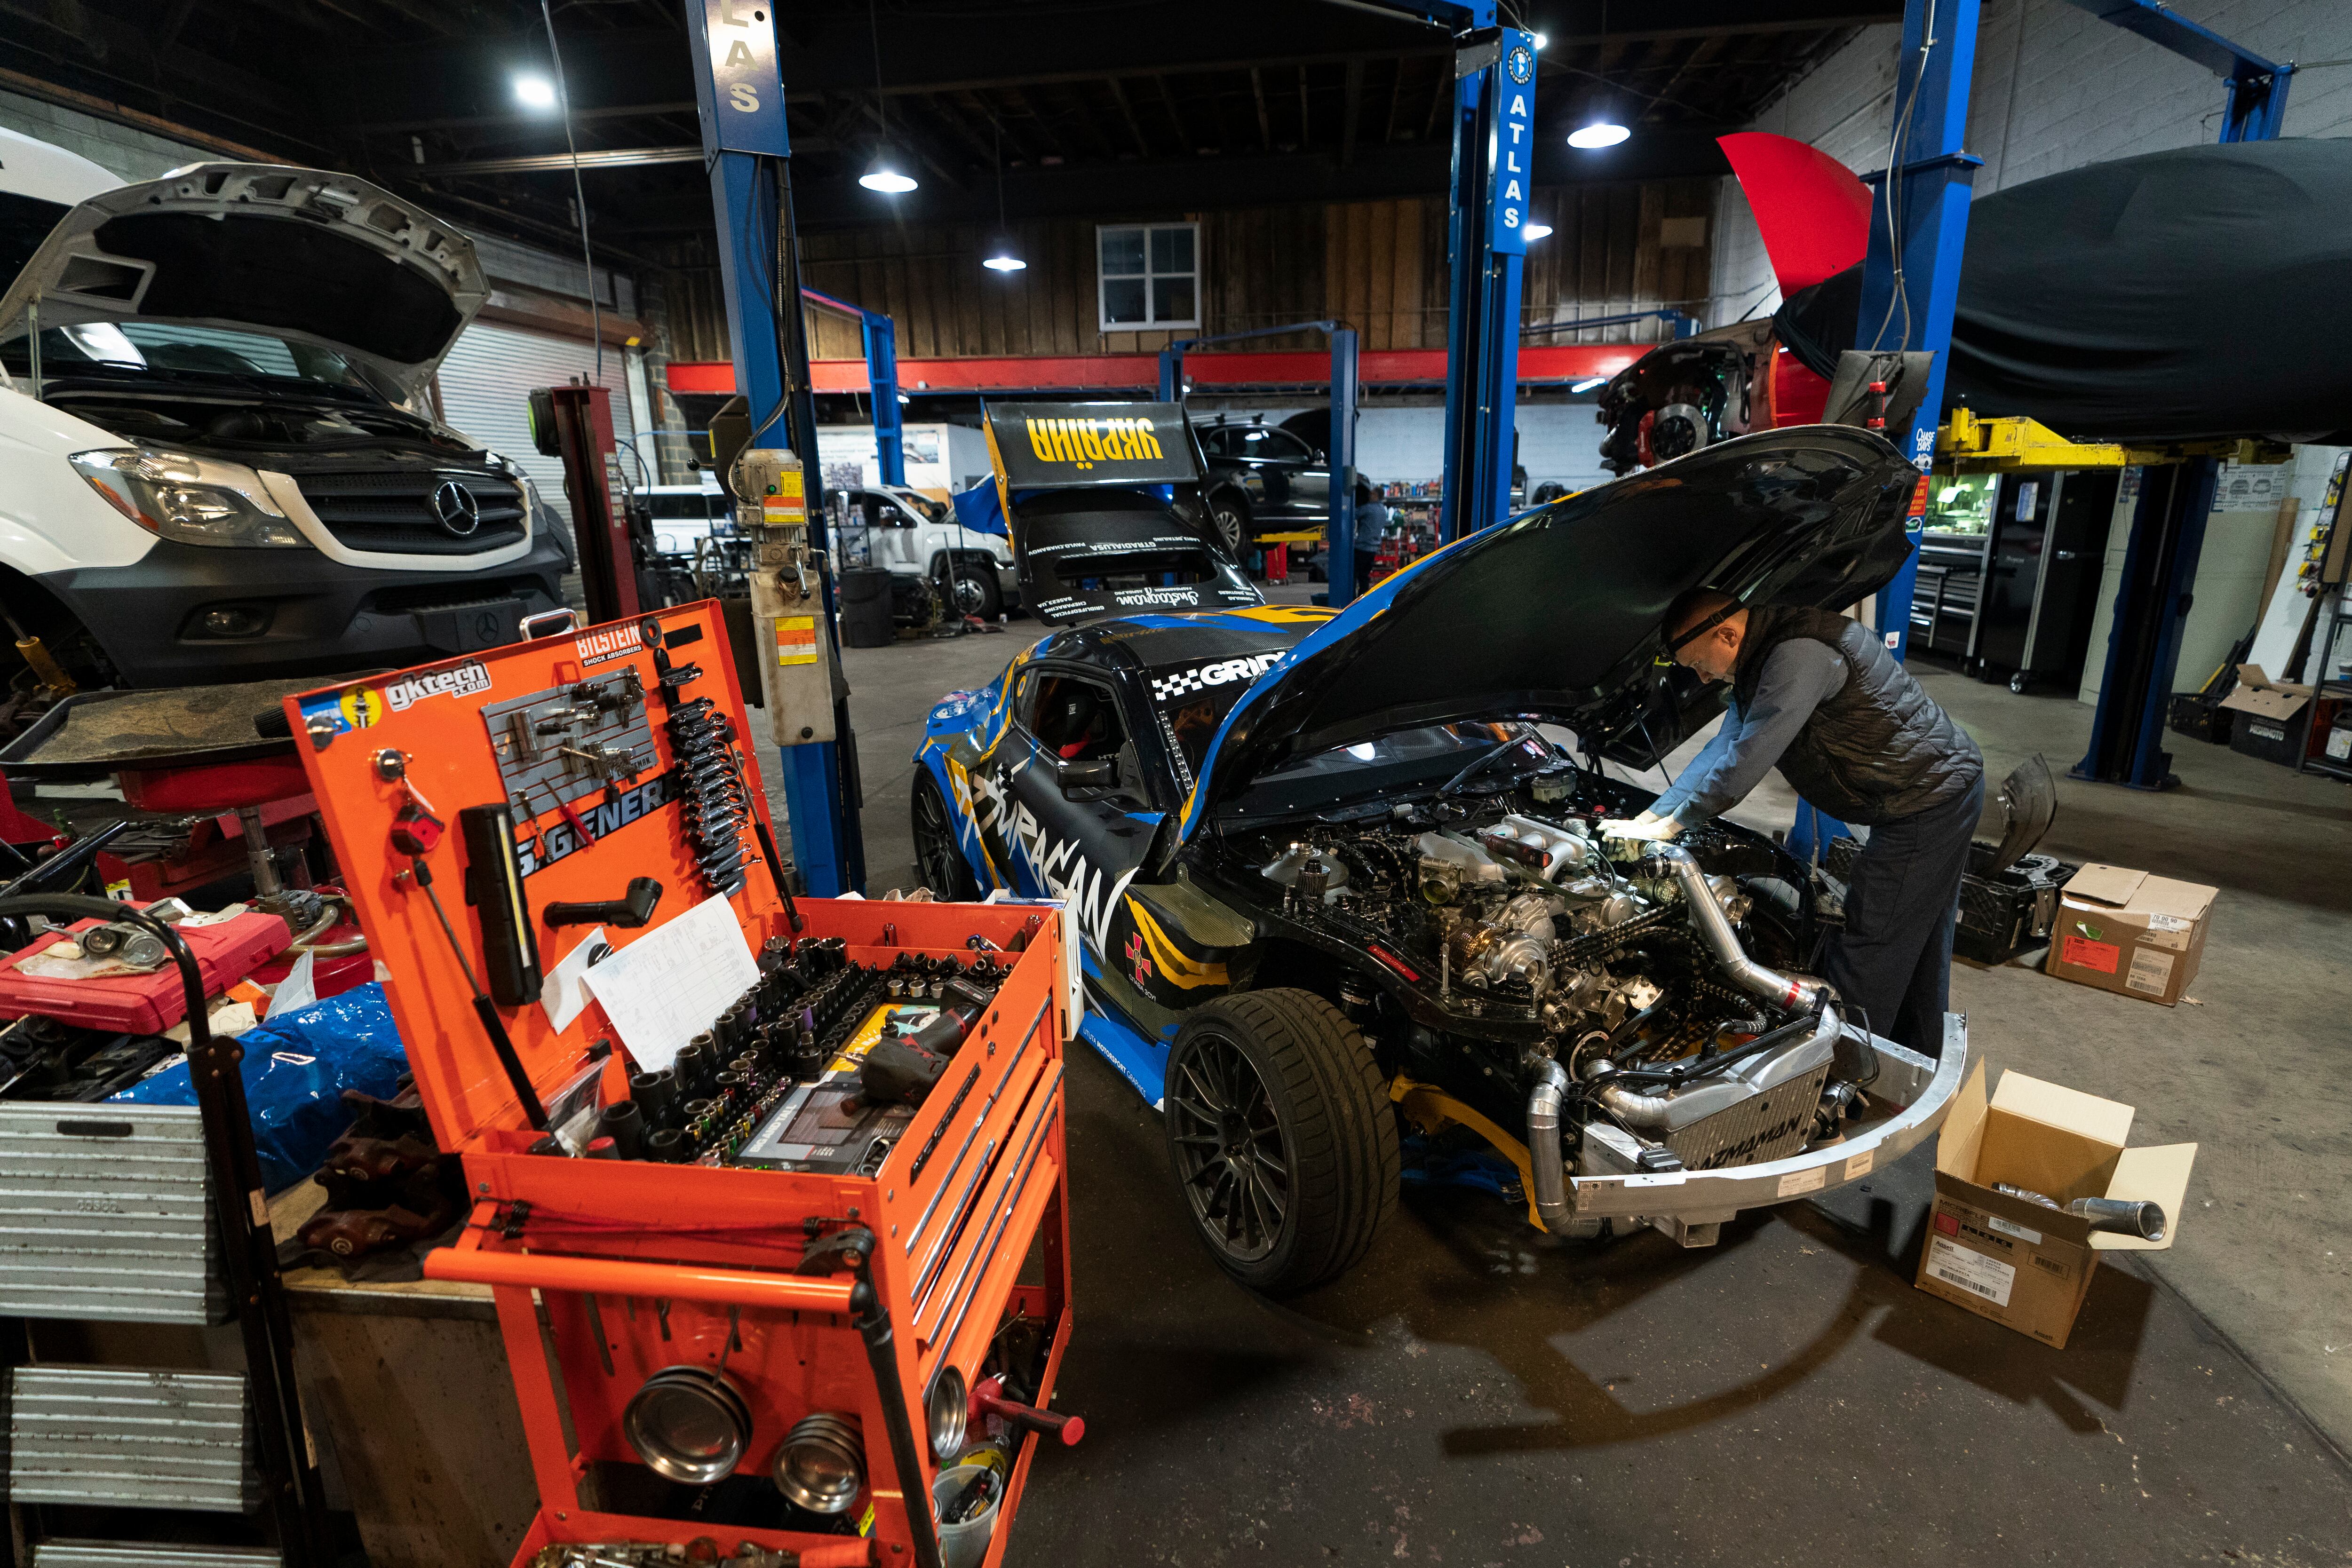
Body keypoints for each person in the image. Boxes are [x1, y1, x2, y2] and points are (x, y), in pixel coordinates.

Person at [1600, 590, 1985, 1054]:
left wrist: (1673, 824)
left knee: (1871, 942)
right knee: (1916, 941)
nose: (1701, 677)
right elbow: (1717, 751)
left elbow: (1742, 765)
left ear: (1726, 634)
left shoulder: (1797, 656)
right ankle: (1917, 1056)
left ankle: (1840, 1075)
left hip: (1926, 798)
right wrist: (1653, 815)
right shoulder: (1763, 657)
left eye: (1700, 663)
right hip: (1937, 785)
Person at [1352, 480, 1390, 597]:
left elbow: (1351, 514)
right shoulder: (1383, 510)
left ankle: (1350, 601)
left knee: (1353, 576)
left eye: (1371, 494)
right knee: (1364, 576)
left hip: (1362, 548)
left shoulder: (1369, 508)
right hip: (1372, 549)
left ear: (1376, 496)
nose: (1369, 495)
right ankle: (1361, 600)